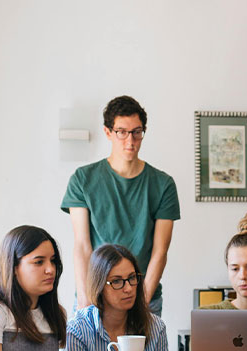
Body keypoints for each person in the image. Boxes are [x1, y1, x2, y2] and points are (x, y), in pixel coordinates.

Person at [61, 95, 181, 316]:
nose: (130, 140)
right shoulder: (83, 179)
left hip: (143, 297)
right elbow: (82, 246)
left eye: (137, 132)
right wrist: (85, 301)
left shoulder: (163, 184)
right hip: (96, 297)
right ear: (108, 132)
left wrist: (141, 304)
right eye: (122, 132)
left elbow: (160, 251)